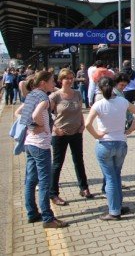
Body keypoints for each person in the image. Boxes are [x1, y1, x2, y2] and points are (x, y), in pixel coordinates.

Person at [85, 77, 135, 220]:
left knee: (110, 178)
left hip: (105, 144)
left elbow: (87, 124)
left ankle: (114, 211)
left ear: (99, 88)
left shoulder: (98, 105)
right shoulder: (123, 101)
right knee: (116, 176)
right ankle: (118, 205)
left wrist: (97, 135)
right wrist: (131, 129)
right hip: (121, 143)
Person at [20, 71, 69, 228]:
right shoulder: (44, 98)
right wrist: (39, 125)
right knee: (44, 182)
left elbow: (20, 113)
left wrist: (32, 126)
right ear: (43, 83)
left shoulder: (31, 95)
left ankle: (32, 213)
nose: (54, 83)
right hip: (41, 145)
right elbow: (34, 115)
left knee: (30, 180)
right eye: (51, 81)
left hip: (29, 144)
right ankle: (48, 219)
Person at [48, 69, 93, 206]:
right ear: (61, 80)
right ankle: (53, 193)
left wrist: (82, 124)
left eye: (71, 77)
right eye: (66, 78)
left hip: (76, 133)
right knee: (57, 164)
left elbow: (79, 111)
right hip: (60, 134)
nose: (69, 80)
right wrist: (54, 128)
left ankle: (84, 188)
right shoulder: (55, 96)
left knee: (79, 161)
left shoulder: (78, 94)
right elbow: (46, 116)